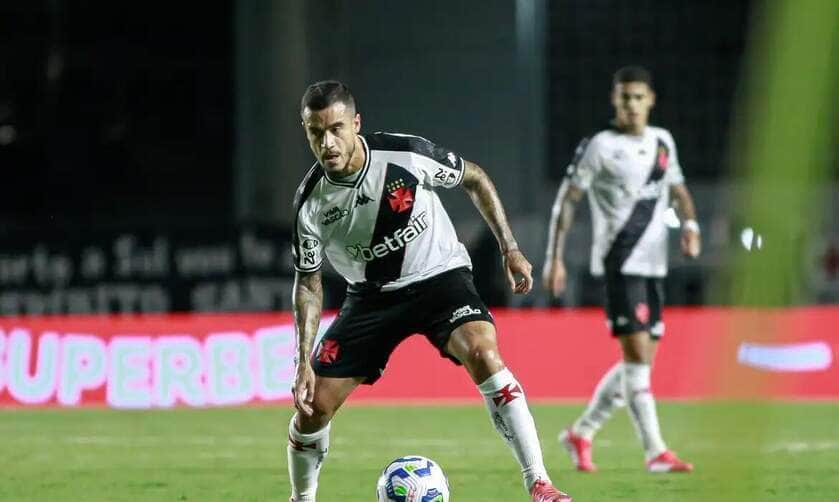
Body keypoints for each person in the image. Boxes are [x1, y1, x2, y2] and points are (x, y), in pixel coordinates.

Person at [288, 80, 572, 501]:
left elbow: (473, 177)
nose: (327, 143)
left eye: (337, 128)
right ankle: (302, 498)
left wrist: (509, 248)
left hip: (440, 279)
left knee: (484, 354)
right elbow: (309, 282)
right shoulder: (311, 204)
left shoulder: (405, 155)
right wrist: (303, 359)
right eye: (316, 133)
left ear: (356, 124)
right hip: (371, 297)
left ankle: (539, 483)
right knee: (312, 407)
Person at [542, 66, 701, 473]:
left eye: (637, 97)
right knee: (635, 359)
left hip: (653, 267)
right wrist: (554, 257)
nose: (631, 104)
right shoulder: (600, 146)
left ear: (650, 100)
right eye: (624, 97)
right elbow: (568, 201)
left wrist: (691, 225)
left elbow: (678, 189)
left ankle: (581, 432)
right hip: (620, 262)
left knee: (640, 362)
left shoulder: (663, 142)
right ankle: (656, 452)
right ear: (614, 101)